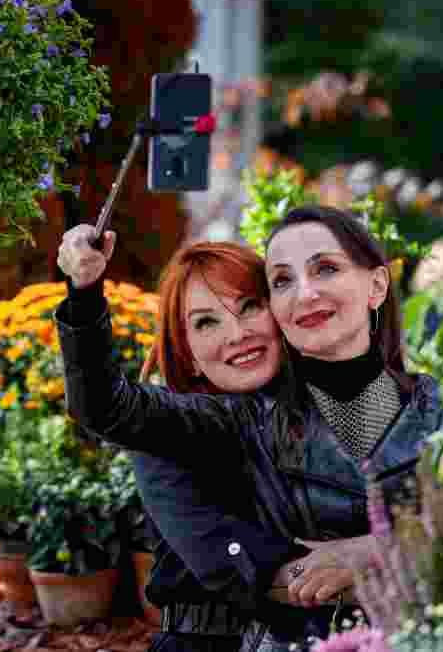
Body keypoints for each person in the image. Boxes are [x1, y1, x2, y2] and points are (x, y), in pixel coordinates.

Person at [55, 205, 443, 651]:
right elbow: (106, 407)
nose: (238, 334)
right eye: (283, 281)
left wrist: (378, 551)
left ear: (376, 285)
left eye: (250, 306)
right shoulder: (229, 422)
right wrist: (84, 294)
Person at [125, 241, 307, 652]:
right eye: (207, 323)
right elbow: (226, 561)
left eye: (249, 307)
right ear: (187, 354)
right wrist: (357, 569)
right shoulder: (166, 433)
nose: (237, 334)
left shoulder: (320, 409)